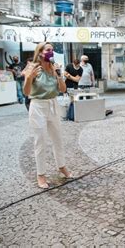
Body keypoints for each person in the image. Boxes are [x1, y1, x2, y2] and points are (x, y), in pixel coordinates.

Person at [23, 42, 72, 189]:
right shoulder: (32, 68)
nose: (51, 52)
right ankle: (41, 174)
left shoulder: (53, 67)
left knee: (58, 138)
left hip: (53, 104)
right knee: (41, 141)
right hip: (38, 105)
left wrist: (59, 75)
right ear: (40, 52)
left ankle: (61, 166)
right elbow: (26, 92)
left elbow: (63, 89)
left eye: (52, 50)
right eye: (48, 50)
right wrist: (29, 78)